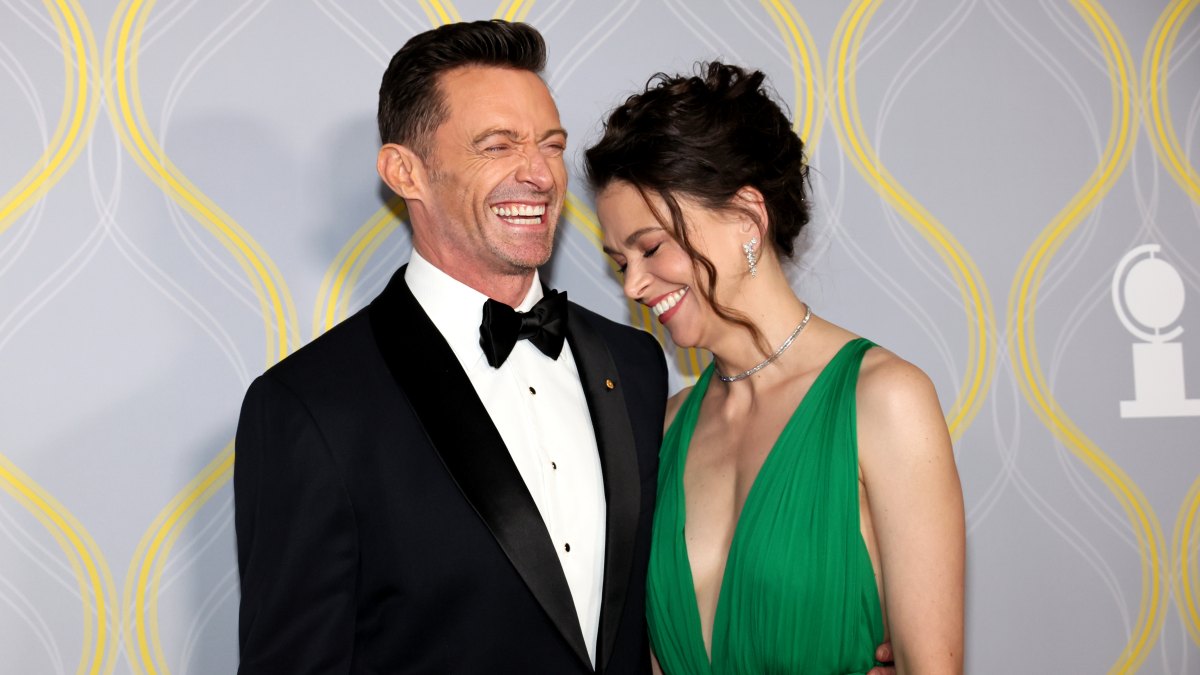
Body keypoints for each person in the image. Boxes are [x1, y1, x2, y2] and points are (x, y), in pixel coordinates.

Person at [233, 21, 668, 673]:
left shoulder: (634, 365)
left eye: (551, 146)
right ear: (404, 171)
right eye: (498, 145)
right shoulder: (311, 407)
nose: (539, 174)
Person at [586, 63, 965, 674]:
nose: (633, 284)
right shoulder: (665, 427)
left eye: (651, 247)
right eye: (620, 261)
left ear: (747, 218)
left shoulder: (884, 401)